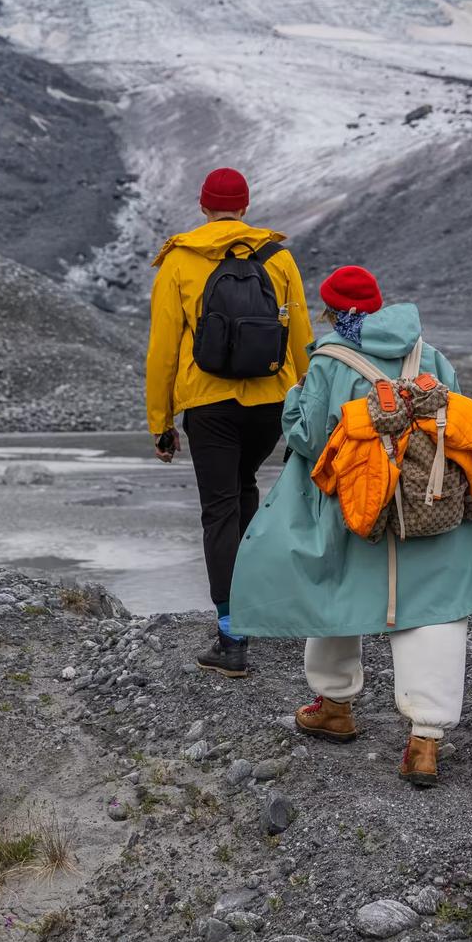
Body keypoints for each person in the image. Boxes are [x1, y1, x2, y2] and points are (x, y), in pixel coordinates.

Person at [229, 264, 472, 787]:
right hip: (432, 505)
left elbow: (310, 439)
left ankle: (336, 706)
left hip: (358, 507)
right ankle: (425, 742)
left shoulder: (327, 360)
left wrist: (295, 403)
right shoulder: (429, 354)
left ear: (330, 311)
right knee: (436, 608)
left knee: (335, 591)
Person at [146, 166, 312, 678]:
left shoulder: (179, 260)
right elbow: (303, 337)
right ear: (245, 205)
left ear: (203, 205)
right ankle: (258, 606)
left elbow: (163, 351)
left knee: (220, 509)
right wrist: (308, 404)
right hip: (269, 403)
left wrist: (161, 421)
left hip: (209, 404)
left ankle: (232, 636)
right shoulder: (278, 256)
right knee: (244, 492)